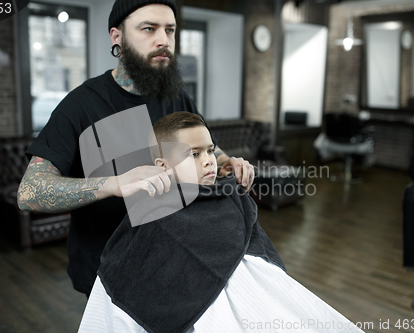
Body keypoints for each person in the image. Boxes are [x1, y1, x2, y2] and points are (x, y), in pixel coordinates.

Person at [17, 0, 254, 298]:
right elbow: (30, 192)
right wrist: (113, 184)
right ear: (117, 36)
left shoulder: (177, 98)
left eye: (170, 30)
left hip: (173, 259)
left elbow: (208, 150)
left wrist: (224, 162)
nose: (163, 40)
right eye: (148, 29)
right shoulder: (79, 107)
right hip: (109, 269)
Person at [78, 112, 364, 333]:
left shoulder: (231, 195)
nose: (208, 161)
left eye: (210, 150)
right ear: (162, 167)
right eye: (193, 154)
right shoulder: (154, 215)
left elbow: (260, 257)